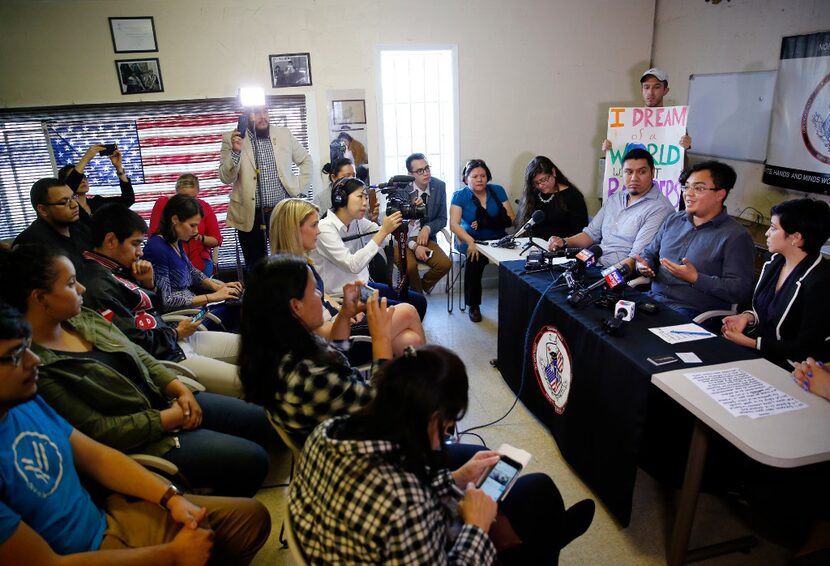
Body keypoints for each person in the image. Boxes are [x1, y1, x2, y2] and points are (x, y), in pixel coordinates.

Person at [0, 302, 270, 565]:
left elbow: (97, 458)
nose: (33, 359)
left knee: (251, 519)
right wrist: (173, 555)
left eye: (26, 348)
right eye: (15, 355)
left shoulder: (27, 403)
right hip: (84, 554)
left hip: (110, 517)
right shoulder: (44, 377)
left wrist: (170, 498)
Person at [0, 244, 272, 497]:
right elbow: (100, 430)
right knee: (254, 461)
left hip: (166, 399)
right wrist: (169, 419)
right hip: (149, 438)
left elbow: (139, 354)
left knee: (264, 421)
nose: (82, 289)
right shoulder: (37, 367)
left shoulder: (85, 319)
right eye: (71, 284)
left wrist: (178, 389)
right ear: (40, 298)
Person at [289, 345, 595, 564]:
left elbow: (408, 483)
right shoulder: (405, 504)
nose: (447, 435)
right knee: (538, 510)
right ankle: (549, 542)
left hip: (346, 544)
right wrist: (476, 527)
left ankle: (550, 537)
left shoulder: (329, 431)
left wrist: (457, 478)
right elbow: (410, 505)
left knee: (538, 489)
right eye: (448, 426)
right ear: (433, 419)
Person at [82, 204, 242, 397]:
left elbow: (153, 311)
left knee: (257, 346)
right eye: (135, 244)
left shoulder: (118, 268)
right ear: (111, 240)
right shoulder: (98, 285)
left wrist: (149, 284)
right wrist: (176, 332)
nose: (140, 251)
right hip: (168, 354)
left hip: (173, 338)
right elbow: (133, 341)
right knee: (252, 380)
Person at [238, 253, 394, 445]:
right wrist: (381, 338)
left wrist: (344, 314)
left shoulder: (281, 349)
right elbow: (384, 409)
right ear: (296, 306)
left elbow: (340, 354)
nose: (320, 295)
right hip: (358, 447)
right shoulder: (309, 375)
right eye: (314, 291)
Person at [269, 198, 425, 356]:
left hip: (342, 313)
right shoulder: (294, 274)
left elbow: (323, 296)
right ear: (294, 230)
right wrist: (344, 315)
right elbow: (326, 333)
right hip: (335, 346)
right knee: (408, 310)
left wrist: (341, 311)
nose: (318, 231)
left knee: (409, 340)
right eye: (313, 225)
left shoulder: (301, 263)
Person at [626, 161, 754, 319]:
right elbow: (649, 253)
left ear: (720, 194)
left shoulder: (736, 236)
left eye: (698, 188)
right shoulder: (673, 220)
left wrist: (696, 278)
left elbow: (739, 291)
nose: (688, 194)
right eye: (686, 187)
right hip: (653, 300)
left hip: (693, 313)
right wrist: (643, 265)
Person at [722, 198, 830, 368]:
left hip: (791, 367)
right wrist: (747, 317)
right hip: (758, 353)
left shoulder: (820, 283)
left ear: (796, 237)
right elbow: (765, 310)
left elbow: (804, 348)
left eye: (773, 228)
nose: (766, 233)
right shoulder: (774, 261)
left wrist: (752, 343)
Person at [312, 176, 428, 319]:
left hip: (361, 289)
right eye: (360, 197)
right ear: (340, 199)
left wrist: (408, 219)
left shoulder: (357, 222)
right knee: (409, 310)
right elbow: (353, 265)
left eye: (366, 198)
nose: (365, 203)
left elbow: (389, 239)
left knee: (419, 301)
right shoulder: (325, 228)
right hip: (341, 295)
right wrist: (384, 230)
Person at [218, 103, 313, 269]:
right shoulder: (232, 138)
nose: (262, 116)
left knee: (288, 262)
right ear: (246, 115)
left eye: (265, 111)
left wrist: (299, 188)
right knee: (256, 267)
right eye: (256, 112)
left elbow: (305, 160)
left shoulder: (283, 134)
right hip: (250, 215)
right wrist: (235, 152)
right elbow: (226, 177)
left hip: (281, 212)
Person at [548, 148, 674, 267]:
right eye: (629, 172)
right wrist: (564, 242)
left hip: (619, 274)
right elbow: (591, 234)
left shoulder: (660, 208)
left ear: (652, 173)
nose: (634, 178)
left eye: (642, 172)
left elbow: (637, 257)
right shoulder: (615, 198)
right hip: (594, 263)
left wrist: (607, 277)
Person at [142, 195, 242, 331]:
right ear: (175, 220)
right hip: (184, 322)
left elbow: (192, 271)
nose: (196, 231)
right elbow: (166, 300)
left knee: (237, 306)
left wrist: (220, 286)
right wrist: (212, 297)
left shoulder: (175, 241)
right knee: (238, 313)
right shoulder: (157, 249)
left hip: (195, 313)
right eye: (192, 225)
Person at [450, 159, 515, 322]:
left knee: (514, 262)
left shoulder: (497, 191)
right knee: (474, 260)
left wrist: (487, 222)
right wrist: (470, 242)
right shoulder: (460, 196)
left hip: (499, 239)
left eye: (483, 176)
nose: (479, 179)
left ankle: (513, 302)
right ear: (466, 179)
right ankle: (473, 306)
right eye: (474, 176)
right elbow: (454, 224)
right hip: (472, 240)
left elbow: (511, 218)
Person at [393, 153, 452, 294]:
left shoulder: (438, 186)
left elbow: (443, 218)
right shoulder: (400, 189)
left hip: (426, 238)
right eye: (420, 171)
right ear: (410, 174)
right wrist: (414, 246)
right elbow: (395, 227)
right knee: (410, 267)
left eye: (427, 168)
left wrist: (427, 228)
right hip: (402, 239)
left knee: (445, 264)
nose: (426, 173)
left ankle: (418, 289)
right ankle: (418, 299)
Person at [13, 177, 92, 276]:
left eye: (73, 197)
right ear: (43, 210)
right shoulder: (30, 243)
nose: (74, 205)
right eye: (64, 202)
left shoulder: (79, 228)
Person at [601, 67, 692, 152]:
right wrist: (609, 149)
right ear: (642, 90)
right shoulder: (626, 121)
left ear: (665, 90)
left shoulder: (676, 122)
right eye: (646, 87)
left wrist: (684, 149)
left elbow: (682, 163)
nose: (650, 92)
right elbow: (619, 158)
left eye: (656, 87)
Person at [149, 173, 223, 277]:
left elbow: (216, 240)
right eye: (183, 197)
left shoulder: (204, 207)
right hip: (170, 260)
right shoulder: (163, 204)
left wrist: (199, 238)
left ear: (198, 192)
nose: (188, 202)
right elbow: (153, 237)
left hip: (199, 261)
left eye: (192, 198)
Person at [57, 143, 135, 230]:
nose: (82, 180)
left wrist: (119, 168)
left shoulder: (98, 203)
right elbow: (69, 189)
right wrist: (86, 158)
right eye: (78, 177)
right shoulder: (64, 208)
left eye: (84, 177)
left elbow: (128, 200)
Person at [516, 156, 589, 243]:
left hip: (560, 249)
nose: (540, 185)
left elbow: (579, 232)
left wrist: (562, 243)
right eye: (536, 183)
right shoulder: (532, 194)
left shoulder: (573, 196)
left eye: (544, 180)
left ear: (553, 172)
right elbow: (524, 226)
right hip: (533, 247)